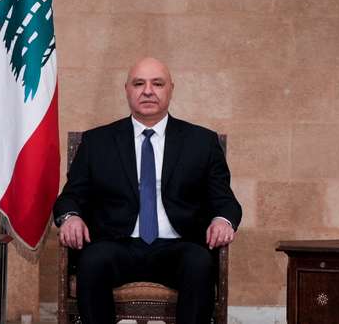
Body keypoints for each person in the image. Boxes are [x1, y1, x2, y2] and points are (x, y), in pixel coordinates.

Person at [53, 57, 241, 324]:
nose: (148, 91)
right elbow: (71, 196)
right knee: (92, 261)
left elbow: (225, 201)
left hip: (179, 247)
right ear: (127, 89)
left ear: (171, 89)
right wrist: (70, 216)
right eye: (139, 83)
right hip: (117, 245)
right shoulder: (97, 142)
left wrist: (222, 220)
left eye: (157, 83)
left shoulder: (201, 142)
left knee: (199, 263)